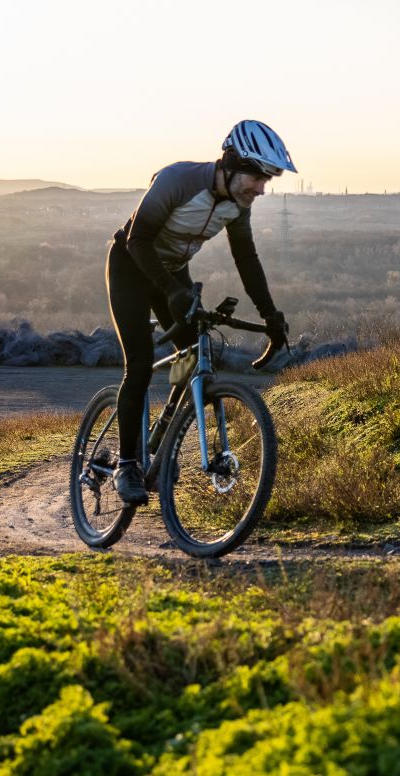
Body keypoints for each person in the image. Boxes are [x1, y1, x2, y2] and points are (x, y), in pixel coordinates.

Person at [106, 120, 295, 505]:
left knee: (193, 359)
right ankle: (126, 464)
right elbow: (136, 239)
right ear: (230, 163)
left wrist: (271, 314)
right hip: (130, 265)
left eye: (267, 181)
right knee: (140, 365)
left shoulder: (236, 206)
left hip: (172, 273)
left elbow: (246, 258)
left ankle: (160, 445)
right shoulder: (179, 181)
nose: (261, 189)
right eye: (257, 178)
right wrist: (172, 290)